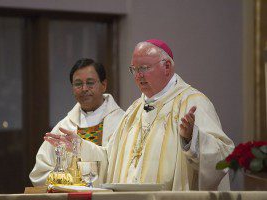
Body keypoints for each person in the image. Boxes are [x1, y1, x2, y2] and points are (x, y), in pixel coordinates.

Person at [45, 39, 235, 190]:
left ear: (167, 67)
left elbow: (224, 157)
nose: (138, 76)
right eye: (134, 70)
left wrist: (192, 139)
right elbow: (110, 158)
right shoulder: (134, 110)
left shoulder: (192, 102)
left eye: (144, 68)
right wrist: (80, 146)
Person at [29, 58, 125, 186]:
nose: (84, 88)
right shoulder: (64, 127)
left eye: (90, 82)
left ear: (104, 85)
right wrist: (67, 179)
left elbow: (124, 168)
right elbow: (39, 174)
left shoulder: (122, 122)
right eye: (78, 84)